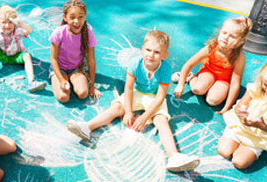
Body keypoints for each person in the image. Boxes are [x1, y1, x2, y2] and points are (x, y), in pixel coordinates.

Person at [67, 30, 200, 172]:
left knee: (162, 121)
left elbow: (161, 96)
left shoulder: (165, 69)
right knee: (116, 109)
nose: (151, 55)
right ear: (142, 49)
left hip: (154, 97)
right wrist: (129, 112)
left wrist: (144, 117)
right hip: (136, 92)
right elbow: (129, 88)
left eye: (156, 52)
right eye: (148, 50)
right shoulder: (135, 63)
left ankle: (174, 156)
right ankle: (87, 127)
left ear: (164, 55)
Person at [173, 17, 252, 114]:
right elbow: (189, 64)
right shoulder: (211, 47)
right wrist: (181, 85)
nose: (226, 37)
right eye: (224, 33)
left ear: (239, 41)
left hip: (224, 80)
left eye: (232, 36)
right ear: (219, 33)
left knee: (213, 101)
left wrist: (227, 107)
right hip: (208, 72)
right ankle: (190, 77)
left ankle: (210, 87)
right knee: (197, 89)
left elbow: (235, 84)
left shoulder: (239, 57)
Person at [49, 0, 101, 103]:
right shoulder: (58, 33)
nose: (76, 21)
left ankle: (73, 80)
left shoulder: (89, 34)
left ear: (85, 16)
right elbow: (53, 59)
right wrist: (61, 79)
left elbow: (91, 60)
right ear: (65, 17)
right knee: (63, 97)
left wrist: (91, 84)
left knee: (83, 94)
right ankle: (63, 80)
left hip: (76, 69)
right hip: (59, 69)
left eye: (80, 17)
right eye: (72, 17)